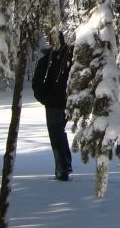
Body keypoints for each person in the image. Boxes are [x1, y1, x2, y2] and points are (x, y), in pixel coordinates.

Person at [32, 28, 74, 180]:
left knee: (56, 136)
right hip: (67, 102)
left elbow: (37, 83)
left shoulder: (47, 61)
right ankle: (65, 165)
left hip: (54, 104)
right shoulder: (72, 59)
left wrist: (45, 98)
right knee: (60, 134)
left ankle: (62, 169)